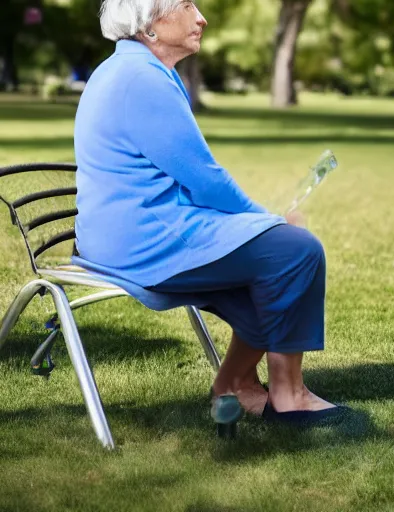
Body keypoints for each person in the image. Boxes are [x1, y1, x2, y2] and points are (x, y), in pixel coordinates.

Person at [73, 0, 349, 430]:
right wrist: (269, 220)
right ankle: (289, 395)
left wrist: (258, 226)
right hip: (144, 238)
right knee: (296, 251)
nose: (201, 17)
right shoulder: (141, 79)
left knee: (272, 259)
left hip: (129, 230)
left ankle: (235, 384)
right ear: (150, 24)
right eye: (186, 5)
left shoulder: (130, 71)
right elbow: (204, 179)